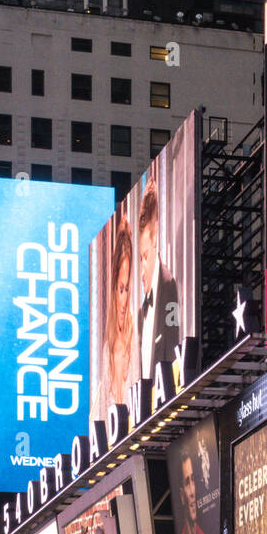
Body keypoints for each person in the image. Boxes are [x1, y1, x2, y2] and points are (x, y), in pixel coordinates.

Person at [92, 218, 139, 423]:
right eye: (120, 289)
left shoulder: (136, 336)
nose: (124, 298)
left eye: (127, 288)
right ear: (113, 290)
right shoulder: (106, 349)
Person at [138, 178, 179, 381]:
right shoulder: (140, 312)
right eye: (140, 258)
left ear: (155, 242)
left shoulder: (168, 284)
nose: (141, 269)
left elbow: (172, 344)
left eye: (145, 257)